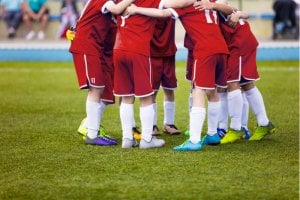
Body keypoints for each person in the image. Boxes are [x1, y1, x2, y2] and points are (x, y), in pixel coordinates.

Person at [126, 0, 234, 151]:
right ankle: (212, 134)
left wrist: (137, 9)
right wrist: (214, 6)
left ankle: (194, 141)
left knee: (198, 91)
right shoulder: (208, 2)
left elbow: (162, 13)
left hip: (205, 50)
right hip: (221, 49)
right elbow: (230, 9)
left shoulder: (186, 5)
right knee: (213, 92)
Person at [197, 1, 275, 143]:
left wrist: (215, 6)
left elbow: (231, 9)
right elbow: (241, 13)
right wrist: (238, 13)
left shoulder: (213, 4)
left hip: (238, 45)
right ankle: (264, 123)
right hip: (243, 43)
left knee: (232, 83)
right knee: (246, 84)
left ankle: (236, 128)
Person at [68, 0, 136, 146]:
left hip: (96, 48)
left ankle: (91, 126)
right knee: (96, 88)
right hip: (86, 45)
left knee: (104, 89)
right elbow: (117, 9)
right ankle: (92, 133)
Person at [113, 0, 165, 149]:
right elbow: (164, 12)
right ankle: (147, 140)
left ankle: (127, 138)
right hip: (137, 50)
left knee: (126, 96)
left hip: (119, 49)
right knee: (146, 96)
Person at [150, 18, 181, 136]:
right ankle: (151, 125)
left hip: (169, 53)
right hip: (152, 53)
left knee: (169, 89)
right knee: (152, 92)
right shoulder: (148, 6)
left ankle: (169, 124)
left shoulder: (171, 6)